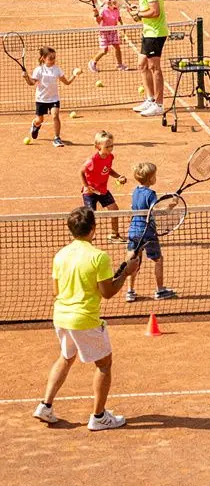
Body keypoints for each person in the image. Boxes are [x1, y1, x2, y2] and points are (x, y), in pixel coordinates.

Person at [33, 206, 140, 430]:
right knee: (104, 364)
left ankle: (45, 405)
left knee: (66, 357)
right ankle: (99, 417)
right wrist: (126, 272)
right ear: (93, 228)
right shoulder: (99, 257)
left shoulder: (60, 255)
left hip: (61, 317)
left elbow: (56, 291)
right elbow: (108, 292)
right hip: (84, 320)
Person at [125, 161, 177, 303]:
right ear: (150, 179)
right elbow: (157, 212)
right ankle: (160, 290)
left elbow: (135, 208)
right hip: (147, 232)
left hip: (133, 230)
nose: (156, 177)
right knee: (158, 259)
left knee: (133, 260)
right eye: (155, 175)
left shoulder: (135, 191)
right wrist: (171, 206)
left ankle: (130, 292)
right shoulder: (151, 194)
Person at [125, 0, 168, 118]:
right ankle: (150, 99)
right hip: (148, 32)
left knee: (154, 67)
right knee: (142, 64)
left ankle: (159, 105)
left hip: (155, 33)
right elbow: (146, 12)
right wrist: (137, 11)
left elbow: (155, 12)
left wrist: (139, 14)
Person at [22, 46, 79, 148]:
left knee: (55, 116)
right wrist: (26, 77)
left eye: (54, 57)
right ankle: (35, 125)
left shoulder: (57, 69)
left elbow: (67, 82)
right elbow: (31, 83)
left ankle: (57, 138)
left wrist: (74, 75)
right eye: (50, 58)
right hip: (41, 99)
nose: (53, 60)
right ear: (43, 58)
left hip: (54, 99)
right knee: (40, 120)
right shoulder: (39, 70)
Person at [80, 130, 126, 240]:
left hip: (102, 190)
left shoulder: (110, 157)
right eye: (107, 147)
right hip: (90, 192)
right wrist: (86, 186)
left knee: (114, 210)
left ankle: (114, 235)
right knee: (91, 215)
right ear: (98, 147)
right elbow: (81, 171)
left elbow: (107, 169)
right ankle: (89, 236)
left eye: (112, 146)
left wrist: (118, 176)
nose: (110, 148)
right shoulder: (92, 160)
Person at [89, 0, 126, 73]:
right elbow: (99, 21)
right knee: (104, 50)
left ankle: (120, 65)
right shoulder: (103, 10)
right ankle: (92, 62)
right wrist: (96, 15)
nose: (112, 0)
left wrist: (122, 26)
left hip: (113, 32)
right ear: (106, 1)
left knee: (117, 47)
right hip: (104, 32)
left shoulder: (116, 9)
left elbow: (118, 18)